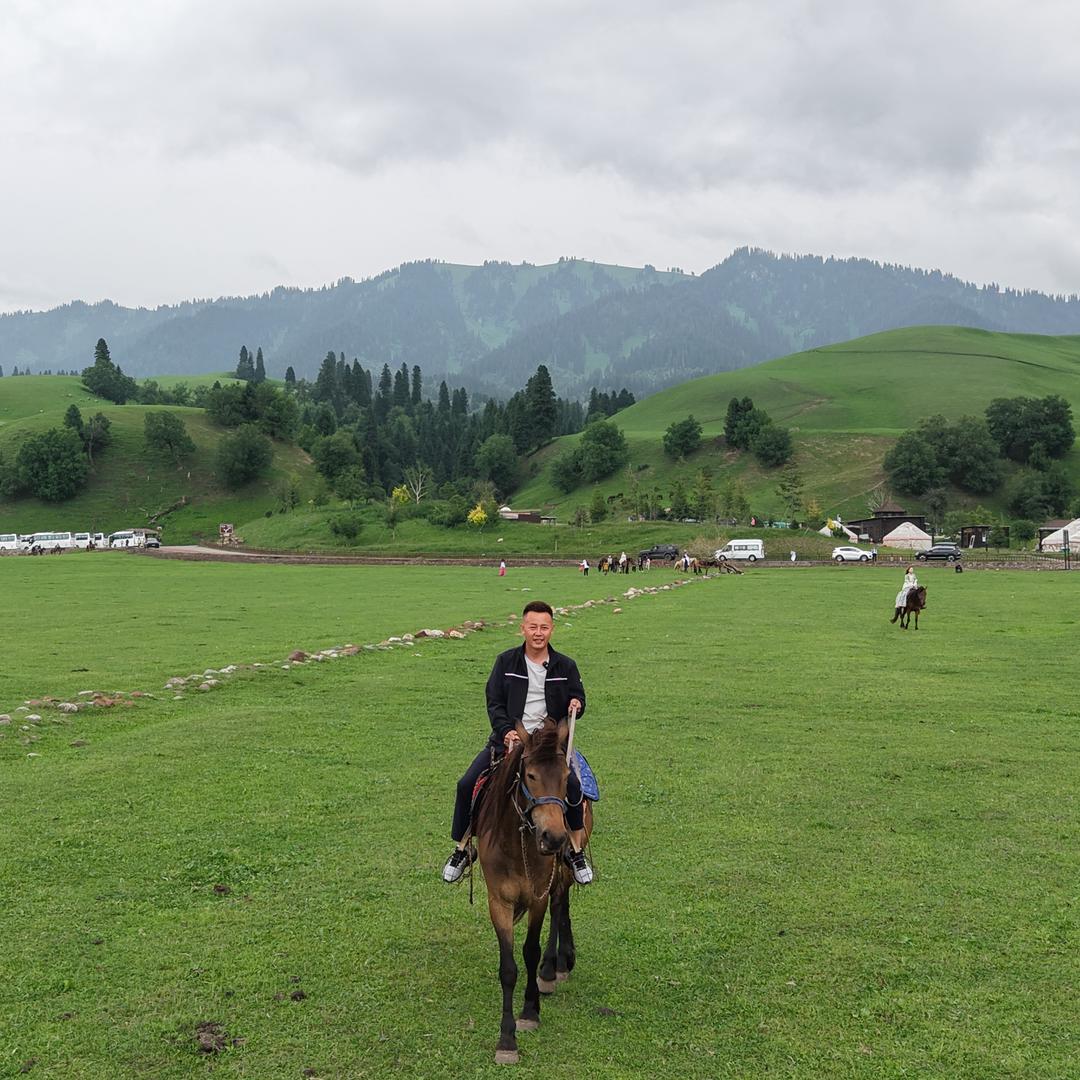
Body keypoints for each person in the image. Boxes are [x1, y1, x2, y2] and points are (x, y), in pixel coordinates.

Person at [442, 600, 594, 886]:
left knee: (573, 786)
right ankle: (462, 848)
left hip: (549, 747)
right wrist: (505, 732)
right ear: (522, 628)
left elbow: (579, 697)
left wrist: (577, 704)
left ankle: (574, 851)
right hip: (511, 740)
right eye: (533, 627)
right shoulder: (506, 662)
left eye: (544, 627)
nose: (539, 632)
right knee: (467, 785)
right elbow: (495, 702)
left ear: (552, 630)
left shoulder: (566, 665)